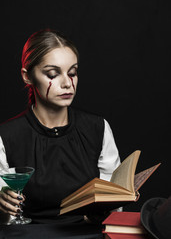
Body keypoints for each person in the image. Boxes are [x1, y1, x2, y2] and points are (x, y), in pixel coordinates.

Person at [0, 29, 120, 225]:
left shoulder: (97, 128)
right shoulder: (6, 137)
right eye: (52, 74)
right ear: (27, 76)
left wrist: (110, 205)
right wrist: (3, 205)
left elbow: (114, 204)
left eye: (72, 72)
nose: (67, 83)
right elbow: (7, 219)